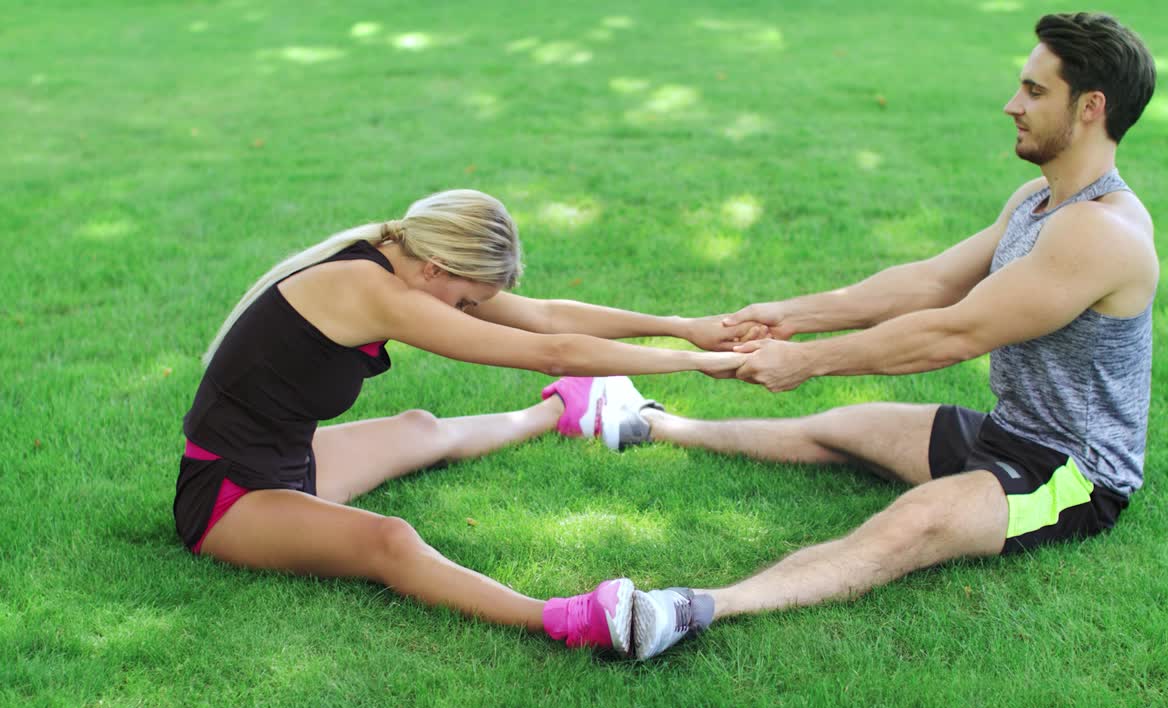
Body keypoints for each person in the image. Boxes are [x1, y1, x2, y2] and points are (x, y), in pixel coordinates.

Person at [607, 12, 1159, 660]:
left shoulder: (1101, 232)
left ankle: (694, 608)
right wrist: (790, 314)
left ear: (1091, 106)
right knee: (841, 429)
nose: (1012, 105)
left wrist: (807, 361)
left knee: (913, 524)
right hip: (1007, 429)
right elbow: (930, 284)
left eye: (1035, 92)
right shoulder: (1037, 200)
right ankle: (656, 425)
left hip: (1070, 474)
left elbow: (954, 333)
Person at [174, 188, 764, 655]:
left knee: (420, 426)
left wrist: (684, 325)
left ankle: (565, 409)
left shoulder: (403, 256)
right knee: (390, 540)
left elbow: (543, 317)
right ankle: (567, 619)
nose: (462, 313)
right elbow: (549, 350)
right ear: (436, 269)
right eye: (463, 303)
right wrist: (694, 362)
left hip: (293, 462)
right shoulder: (368, 289)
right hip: (230, 498)